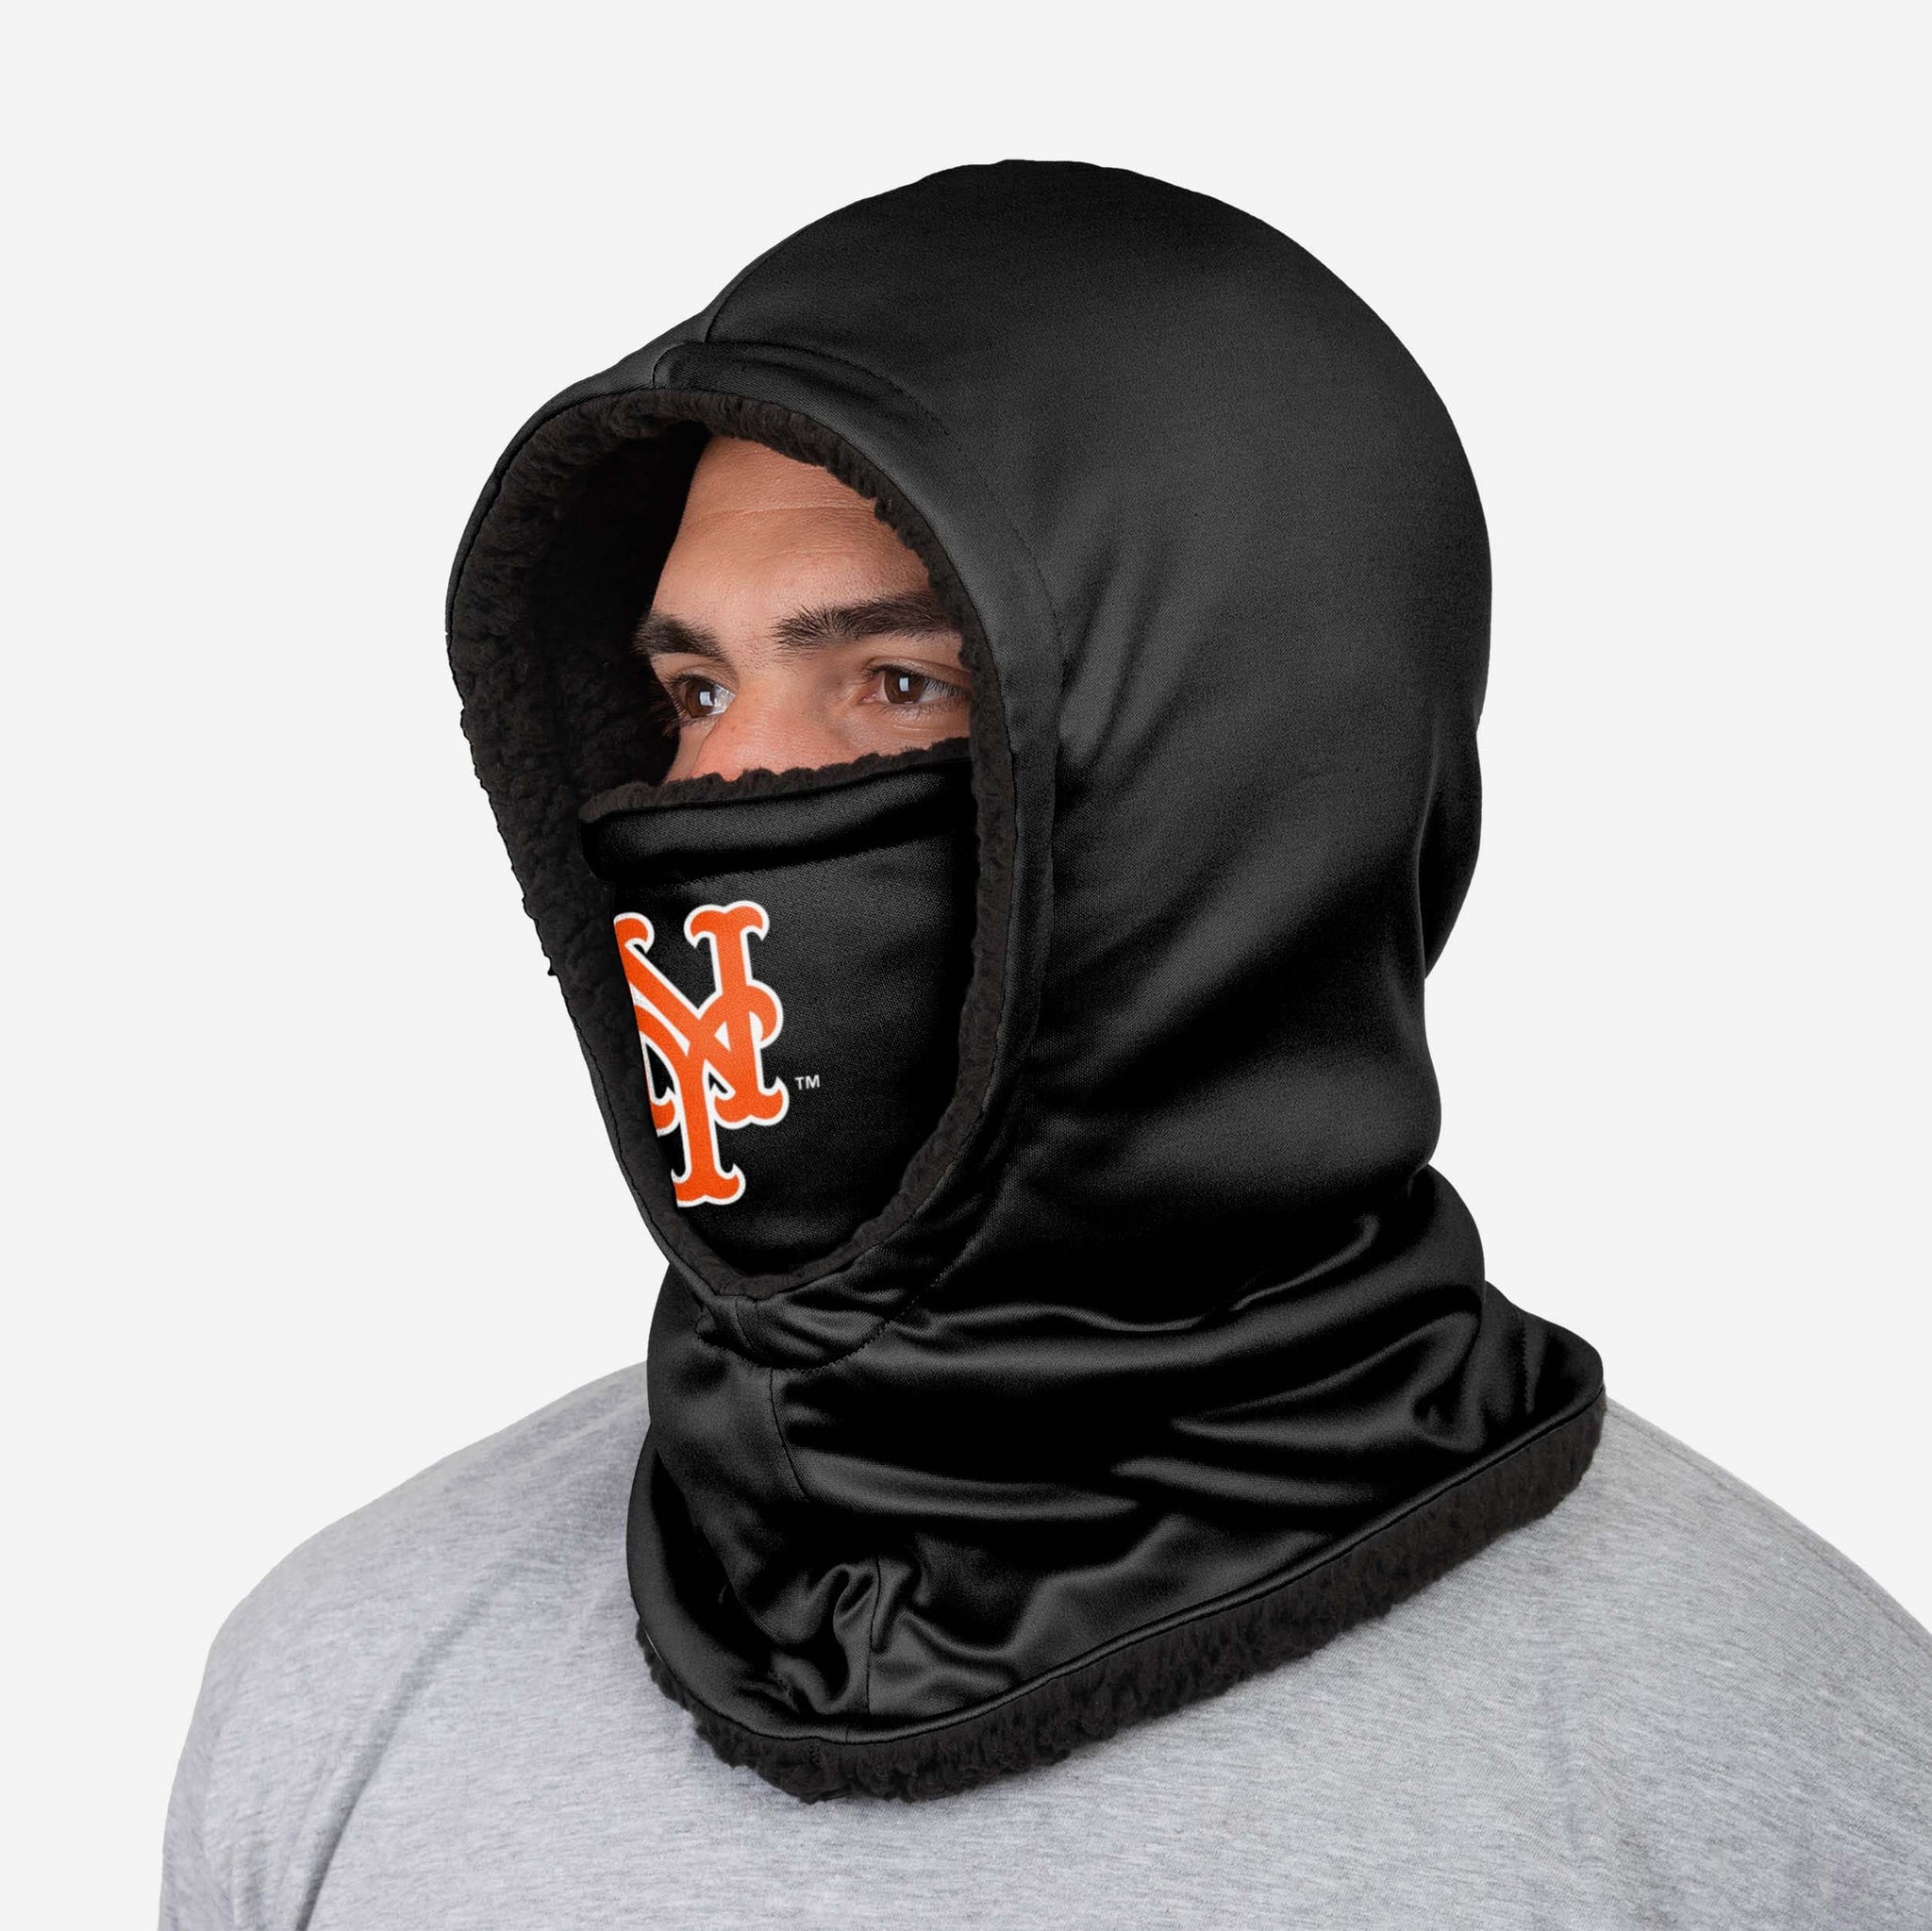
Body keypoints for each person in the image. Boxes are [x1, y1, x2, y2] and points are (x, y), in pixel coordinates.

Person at [160, 161, 1931, 1928]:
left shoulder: (1780, 1769)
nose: (726, 794)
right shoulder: (353, 1670)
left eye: (898, 684)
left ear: (1236, 791)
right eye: (695, 692)